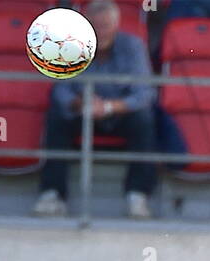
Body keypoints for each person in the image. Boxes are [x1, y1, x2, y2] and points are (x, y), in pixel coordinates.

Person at [33, 0, 157, 220]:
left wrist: (110, 106)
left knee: (144, 119)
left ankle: (137, 195)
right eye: (95, 26)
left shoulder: (133, 46)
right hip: (82, 111)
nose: (100, 32)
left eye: (106, 26)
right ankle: (52, 194)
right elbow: (60, 89)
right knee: (57, 115)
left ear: (116, 25)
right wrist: (79, 104)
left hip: (119, 114)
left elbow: (144, 93)